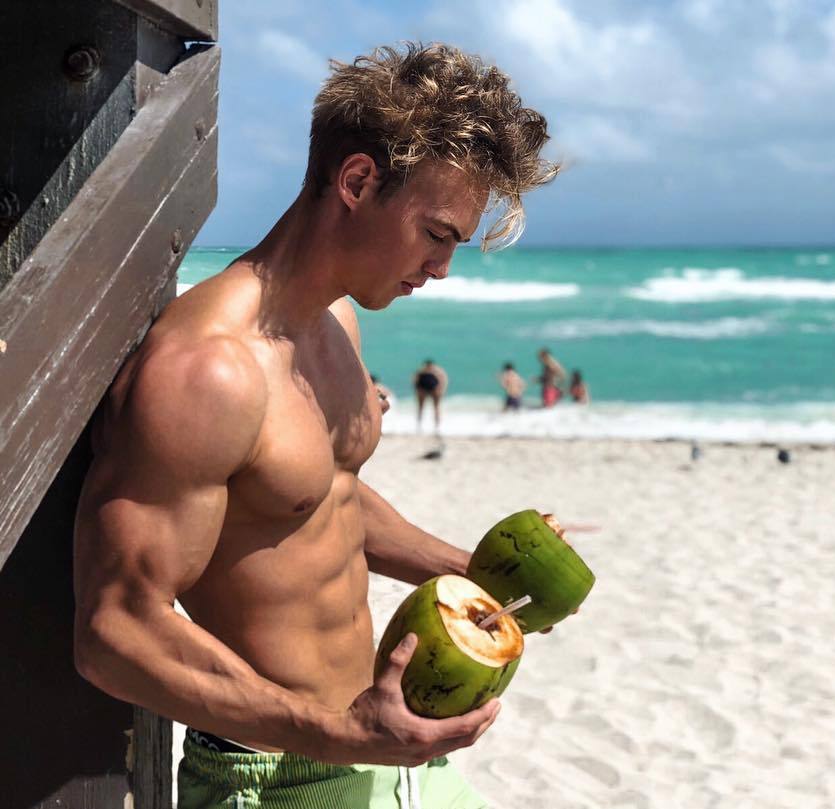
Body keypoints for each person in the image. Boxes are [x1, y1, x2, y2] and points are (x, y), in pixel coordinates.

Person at [73, 43, 557, 809]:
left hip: (392, 755)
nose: (442, 268)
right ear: (358, 181)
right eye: (437, 233)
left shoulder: (335, 325)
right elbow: (116, 628)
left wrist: (470, 573)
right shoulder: (208, 370)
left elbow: (317, 503)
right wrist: (335, 733)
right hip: (278, 775)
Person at [413, 358, 448, 432]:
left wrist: (441, 389)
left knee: (435, 408)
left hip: (432, 390)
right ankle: (420, 425)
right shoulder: (424, 371)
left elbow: (415, 381)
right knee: (423, 408)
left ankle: (436, 426)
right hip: (425, 390)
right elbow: (415, 381)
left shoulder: (424, 370)